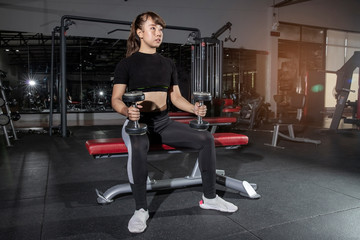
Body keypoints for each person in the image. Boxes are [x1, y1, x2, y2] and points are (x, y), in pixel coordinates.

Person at [111, 11, 238, 234]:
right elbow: (115, 99)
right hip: (138, 124)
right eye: (153, 28)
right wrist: (126, 112)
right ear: (140, 33)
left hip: (162, 122)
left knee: (206, 138)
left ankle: (210, 197)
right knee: (139, 147)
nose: (158, 33)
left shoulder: (168, 63)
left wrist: (194, 108)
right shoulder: (127, 64)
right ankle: (141, 209)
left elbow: (176, 98)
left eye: (160, 29)